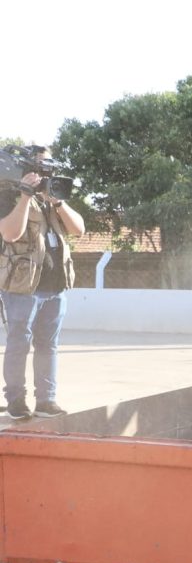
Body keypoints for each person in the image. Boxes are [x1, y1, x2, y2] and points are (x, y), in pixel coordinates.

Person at [0, 146, 85, 419]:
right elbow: (11, 233)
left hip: (55, 286)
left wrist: (58, 202)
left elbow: (79, 230)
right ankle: (16, 400)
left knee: (48, 345)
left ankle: (46, 400)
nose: (44, 172)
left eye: (48, 167)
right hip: (23, 287)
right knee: (18, 344)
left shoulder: (53, 200)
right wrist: (25, 196)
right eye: (39, 166)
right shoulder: (9, 195)